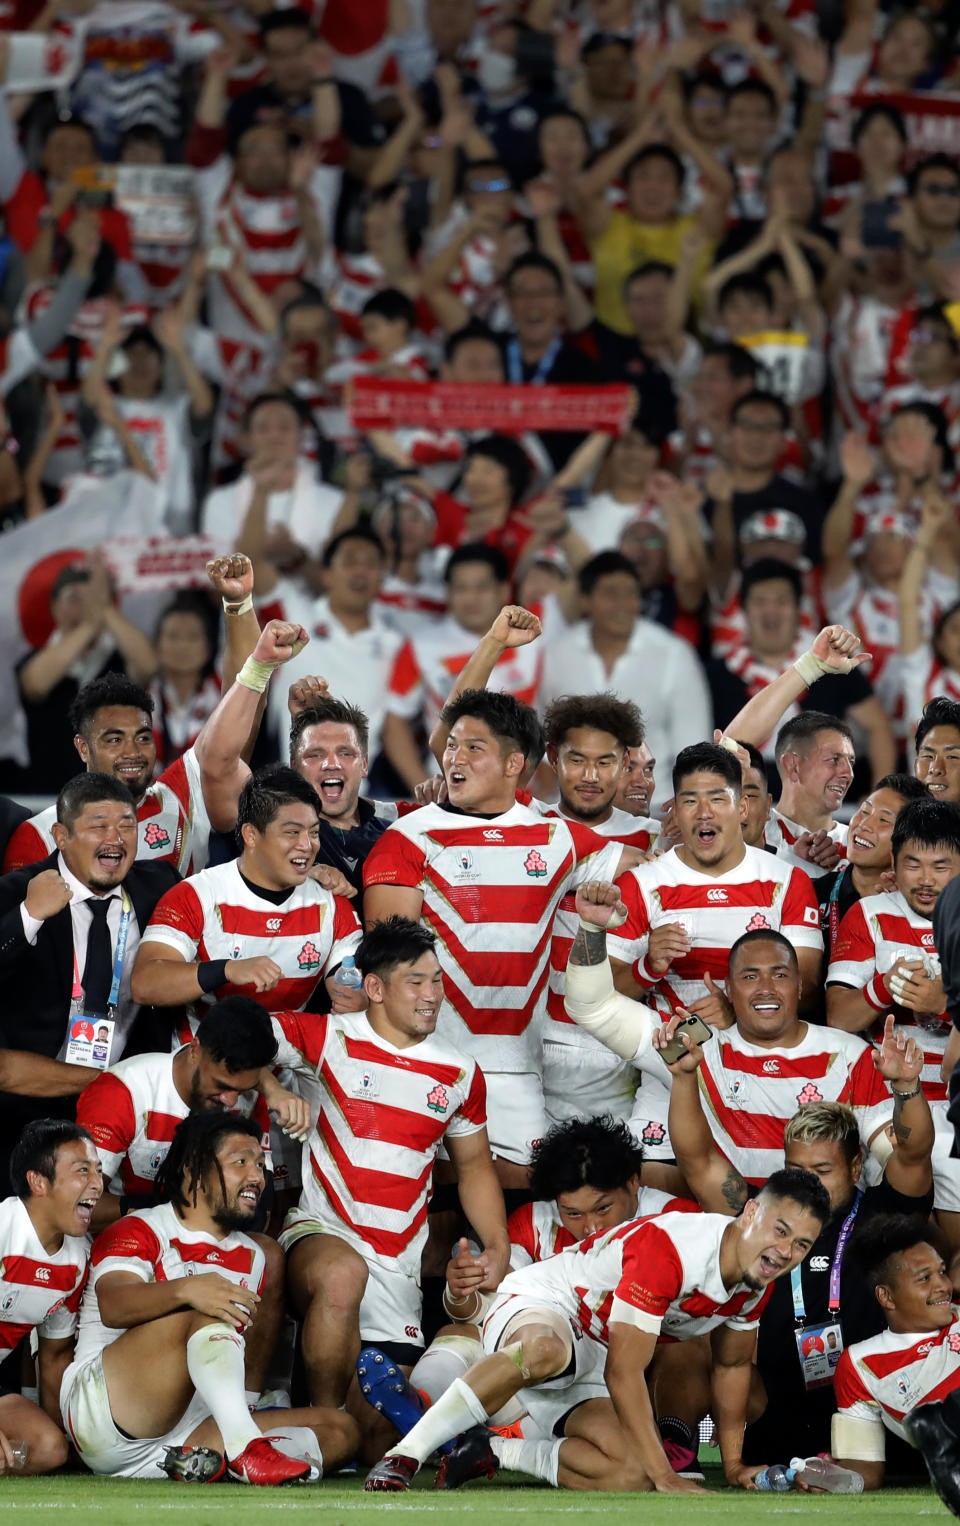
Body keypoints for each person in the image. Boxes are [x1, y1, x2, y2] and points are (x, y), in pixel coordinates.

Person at [362, 1166, 829, 1494]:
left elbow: (730, 1366)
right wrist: (668, 1477)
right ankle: (406, 1453)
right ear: (749, 1214)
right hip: (548, 1305)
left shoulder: (756, 1280)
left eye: (802, 1244)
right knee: (544, 1350)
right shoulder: (671, 1250)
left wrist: (732, 1466)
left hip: (596, 1348)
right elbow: (625, 1375)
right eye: (780, 1230)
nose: (786, 1251)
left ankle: (493, 1451)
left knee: (633, 1472)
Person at [362, 689, 626, 1185]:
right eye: (452, 745)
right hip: (428, 1056)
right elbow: (387, 961)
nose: (454, 758)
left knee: (540, 1199)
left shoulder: (557, 835)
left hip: (518, 1071)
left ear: (513, 765)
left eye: (473, 748)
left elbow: (648, 870)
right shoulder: (407, 837)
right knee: (427, 1203)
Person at [269, 917, 508, 1456]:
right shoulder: (327, 1036)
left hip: (397, 1266)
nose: (432, 996)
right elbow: (236, 1039)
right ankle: (325, 1428)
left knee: (378, 1441)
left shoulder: (460, 1073)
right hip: (322, 1233)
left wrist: (499, 1243)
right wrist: (274, 1089)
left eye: (438, 981)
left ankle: (338, 1438)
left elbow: (473, 1168)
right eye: (416, 982)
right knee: (339, 1275)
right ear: (374, 987)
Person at [359, 1115, 703, 1482]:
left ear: (634, 1183)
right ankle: (427, 1411)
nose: (591, 1228)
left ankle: (471, 1439)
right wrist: (461, 1289)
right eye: (573, 1213)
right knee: (463, 1331)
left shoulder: (675, 1222)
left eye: (603, 1209)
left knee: (683, 1345)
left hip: (613, 1383)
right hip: (534, 1370)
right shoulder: (533, 1221)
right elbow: (486, 1308)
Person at [60, 1111, 357, 1483]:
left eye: (260, 1164)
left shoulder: (254, 1255)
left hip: (194, 1428)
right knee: (207, 1307)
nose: (256, 1177)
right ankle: (245, 1454)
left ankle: (202, 1462)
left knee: (341, 1429)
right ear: (194, 1172)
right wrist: (189, 1290)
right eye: (241, 1162)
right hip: (107, 1414)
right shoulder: (141, 1227)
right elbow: (114, 1305)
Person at [0, 773, 180, 1179]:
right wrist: (28, 917)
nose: (115, 837)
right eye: (99, 825)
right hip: (25, 1116)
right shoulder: (14, 892)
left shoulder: (160, 886)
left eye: (126, 825)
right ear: (61, 836)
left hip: (129, 1113)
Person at [131, 766, 363, 1033]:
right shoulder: (195, 895)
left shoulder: (333, 903)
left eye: (313, 832)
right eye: (292, 832)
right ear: (251, 834)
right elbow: (145, 983)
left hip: (289, 1068)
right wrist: (227, 970)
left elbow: (348, 981)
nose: (307, 845)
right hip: (202, 1064)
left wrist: (355, 998)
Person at [607, 741, 822, 1020]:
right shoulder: (639, 883)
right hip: (664, 1059)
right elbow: (605, 998)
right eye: (690, 800)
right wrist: (648, 967)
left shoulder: (789, 881)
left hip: (759, 1060)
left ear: (743, 807)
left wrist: (737, 1011)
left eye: (718, 799)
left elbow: (810, 990)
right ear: (675, 810)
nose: (704, 812)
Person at [75, 994, 302, 1221]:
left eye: (241, 1090)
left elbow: (260, 1213)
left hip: (210, 1236)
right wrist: (176, 1212)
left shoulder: (253, 1093)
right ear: (195, 1050)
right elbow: (79, 1203)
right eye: (221, 1086)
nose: (231, 1101)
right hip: (129, 1232)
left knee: (267, 1251)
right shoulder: (123, 1091)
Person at [709, 570, 895, 809]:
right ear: (743, 610)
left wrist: (878, 796)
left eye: (781, 601)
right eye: (760, 601)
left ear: (799, 609)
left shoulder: (832, 662)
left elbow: (877, 726)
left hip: (824, 808)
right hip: (743, 807)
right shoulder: (717, 674)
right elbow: (725, 747)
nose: (771, 611)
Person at [540, 553, 712, 808]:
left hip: (653, 812)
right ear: (585, 601)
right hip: (573, 814)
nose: (623, 604)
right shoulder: (557, 654)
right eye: (610, 593)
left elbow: (693, 752)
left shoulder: (674, 654)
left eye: (630, 594)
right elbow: (545, 744)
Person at [4, 674, 213, 878]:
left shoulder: (182, 800)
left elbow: (226, 745)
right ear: (83, 748)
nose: (132, 752)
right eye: (114, 740)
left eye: (142, 738)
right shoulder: (38, 836)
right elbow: (19, 912)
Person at [0, 1120, 103, 1475]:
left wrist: (70, 1438)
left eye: (99, 1171)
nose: (98, 1184)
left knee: (47, 1450)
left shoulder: (78, 1259)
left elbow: (55, 1356)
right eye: (82, 1170)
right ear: (39, 1182)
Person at [830, 1215, 960, 1494]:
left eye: (942, 1272)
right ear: (887, 1297)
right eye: (925, 1278)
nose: (944, 1286)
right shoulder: (859, 1365)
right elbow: (865, 1469)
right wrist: (832, 1480)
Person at [16, 559, 158, 796]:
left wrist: (105, 610)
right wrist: (91, 623)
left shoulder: (119, 659)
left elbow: (149, 666)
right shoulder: (35, 659)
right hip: (45, 797)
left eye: (91, 600)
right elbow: (35, 684)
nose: (84, 606)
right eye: (74, 598)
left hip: (114, 798)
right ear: (54, 607)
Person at [817, 775, 930, 960]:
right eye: (864, 811)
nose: (864, 824)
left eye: (884, 820)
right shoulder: (810, 894)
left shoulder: (924, 910)